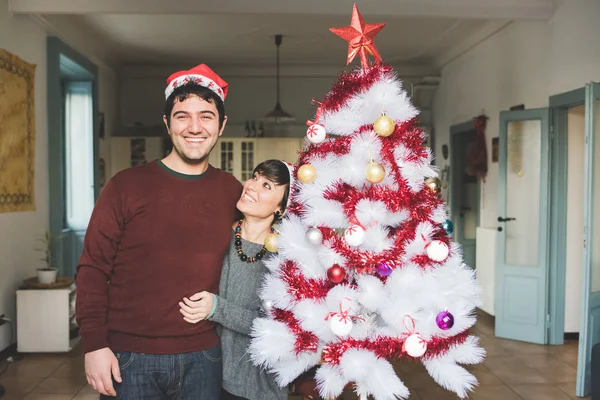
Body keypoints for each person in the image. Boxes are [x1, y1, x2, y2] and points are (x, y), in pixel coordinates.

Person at [75, 64, 242, 399]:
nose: (195, 127)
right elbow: (92, 268)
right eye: (183, 116)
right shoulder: (125, 186)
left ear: (221, 125)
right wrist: (93, 345)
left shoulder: (233, 192)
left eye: (207, 116)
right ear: (167, 123)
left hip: (206, 357)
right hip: (130, 358)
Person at [179, 159, 292, 400]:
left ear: (281, 208)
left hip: (260, 388)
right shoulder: (218, 234)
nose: (251, 185)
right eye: (254, 176)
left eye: (267, 185)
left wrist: (216, 308)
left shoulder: (286, 256)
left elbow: (275, 328)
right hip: (207, 375)